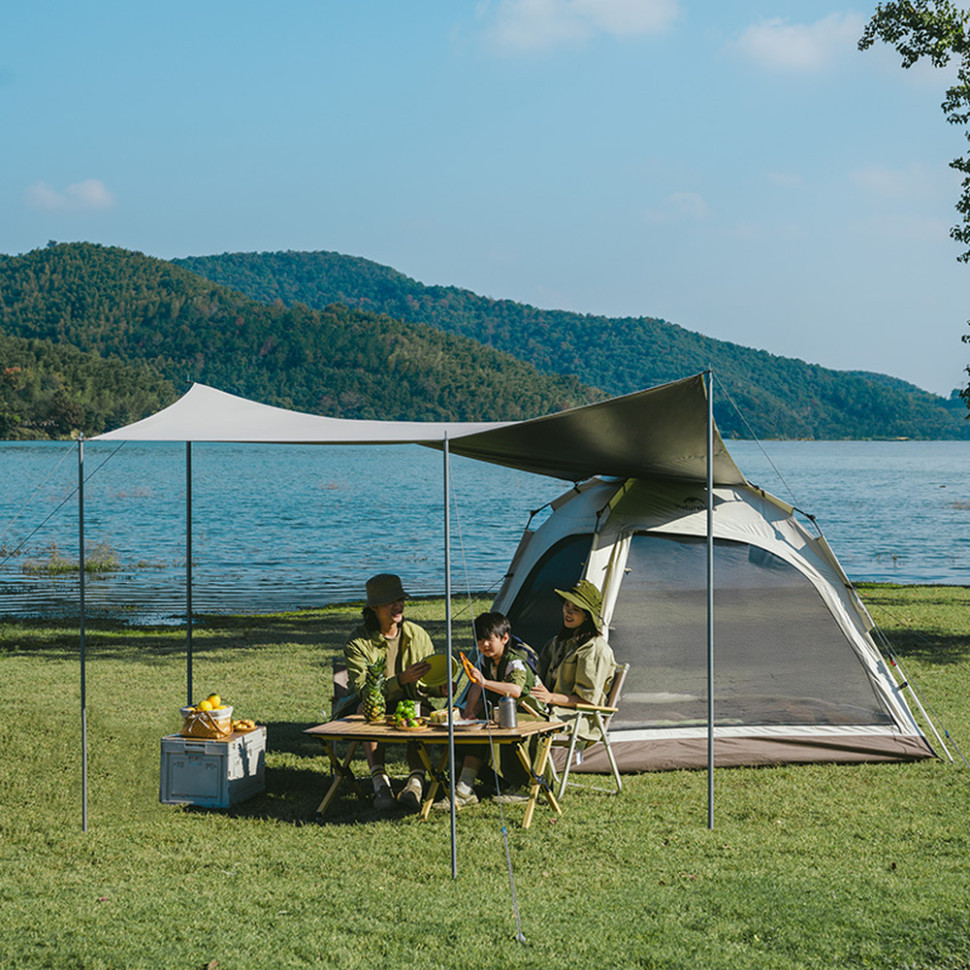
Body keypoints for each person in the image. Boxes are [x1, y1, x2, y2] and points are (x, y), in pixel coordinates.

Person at [343, 573, 435, 812]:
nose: (398, 606)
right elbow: (363, 690)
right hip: (376, 702)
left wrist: (441, 687)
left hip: (412, 702)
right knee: (366, 711)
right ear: (373, 608)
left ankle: (415, 783)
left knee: (424, 713)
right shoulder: (358, 641)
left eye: (400, 600)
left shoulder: (417, 635)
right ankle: (380, 782)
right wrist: (400, 680)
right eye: (390, 602)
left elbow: (428, 682)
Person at [436, 611, 544, 808]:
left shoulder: (515, 662)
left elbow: (515, 690)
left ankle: (521, 785)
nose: (484, 645)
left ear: (504, 638)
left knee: (492, 729)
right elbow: (476, 685)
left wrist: (485, 682)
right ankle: (465, 786)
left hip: (530, 713)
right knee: (473, 728)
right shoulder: (486, 660)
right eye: (480, 640)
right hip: (503, 711)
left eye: (489, 640)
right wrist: (469, 711)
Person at [531, 579, 615, 746]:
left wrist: (551, 697)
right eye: (566, 606)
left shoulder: (594, 650)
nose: (567, 612)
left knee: (519, 724)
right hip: (548, 710)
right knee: (501, 715)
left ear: (587, 616)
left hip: (577, 718)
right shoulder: (558, 642)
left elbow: (588, 701)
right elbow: (539, 676)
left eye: (575, 609)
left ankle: (529, 763)